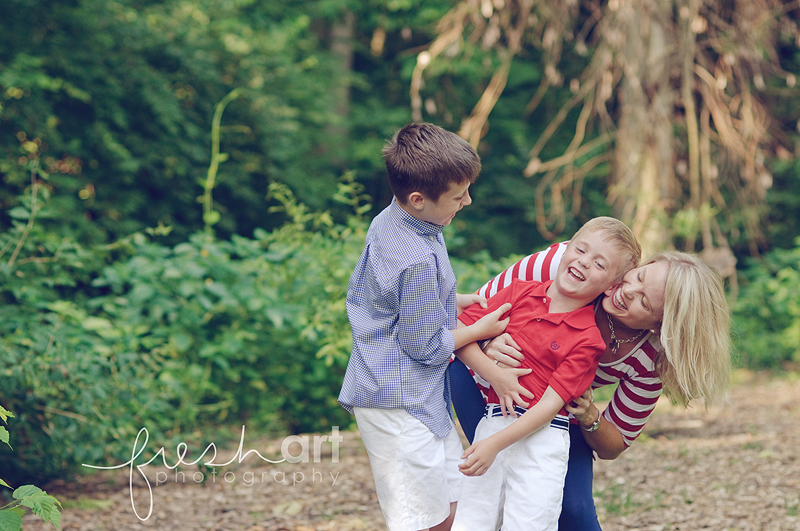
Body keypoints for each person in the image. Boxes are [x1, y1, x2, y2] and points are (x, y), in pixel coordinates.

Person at [450, 244, 733, 530]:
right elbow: (460, 316)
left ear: (661, 327)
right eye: (639, 276)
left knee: (574, 509)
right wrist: (487, 342)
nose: (628, 291)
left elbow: (616, 443)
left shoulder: (651, 359)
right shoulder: (577, 265)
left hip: (556, 413)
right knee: (494, 488)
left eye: (644, 303)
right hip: (484, 386)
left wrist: (589, 416)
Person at [338, 122, 514, 531]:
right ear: (418, 198)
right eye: (458, 195)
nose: (467, 201)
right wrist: (480, 328)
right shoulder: (414, 257)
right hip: (397, 402)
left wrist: (452, 301)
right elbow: (425, 346)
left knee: (455, 504)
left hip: (418, 398)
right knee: (423, 520)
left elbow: (389, 297)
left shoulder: (395, 219)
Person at [449, 217, 641, 531]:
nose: (583, 262)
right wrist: (493, 373)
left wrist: (495, 444)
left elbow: (549, 406)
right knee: (474, 519)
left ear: (610, 287)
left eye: (599, 264)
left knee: (530, 521)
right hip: (494, 420)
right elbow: (459, 330)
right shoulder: (519, 292)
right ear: (563, 249)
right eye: (580, 250)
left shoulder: (588, 340)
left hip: (544, 437)